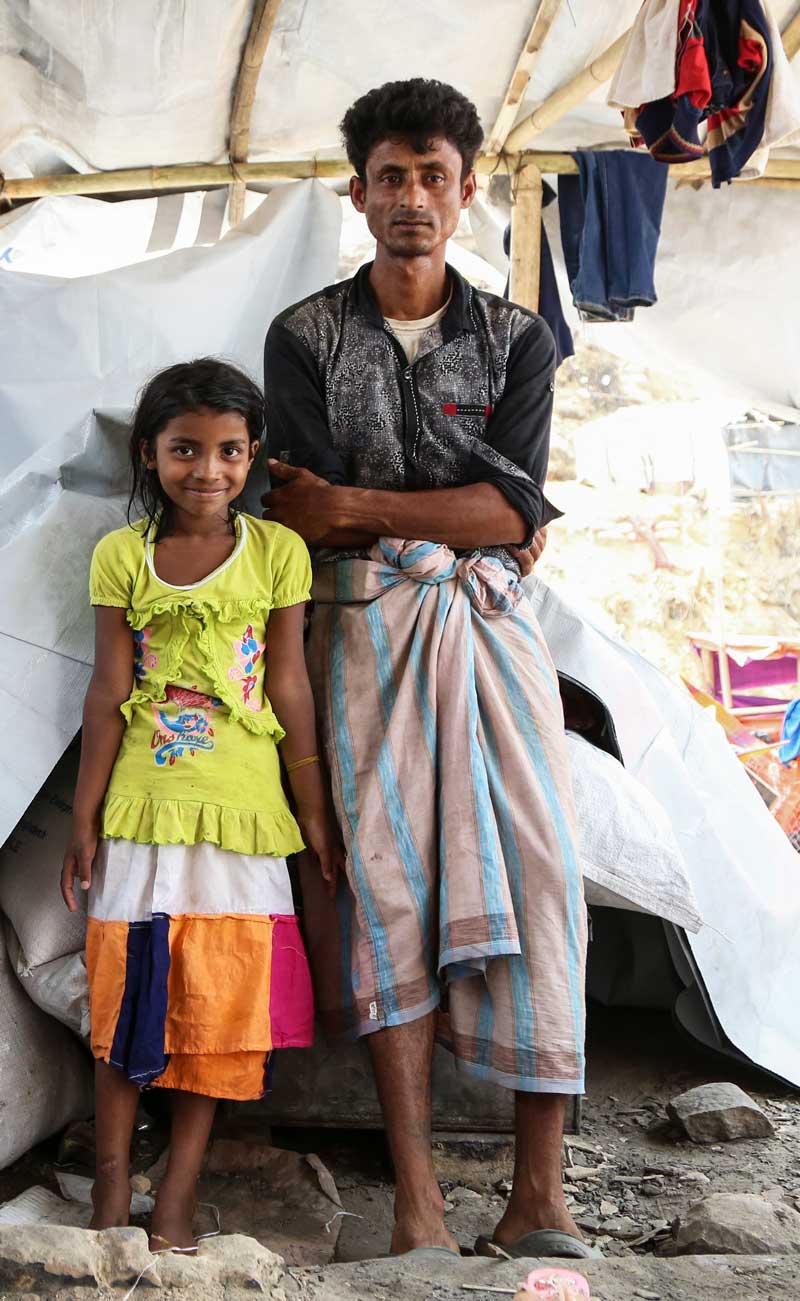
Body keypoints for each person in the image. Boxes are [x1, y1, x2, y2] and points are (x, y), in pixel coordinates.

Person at [261, 79, 591, 1262]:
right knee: (385, 888)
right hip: (356, 633)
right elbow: (296, 521)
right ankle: (417, 1201)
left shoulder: (518, 339)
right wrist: (449, 512)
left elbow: (510, 514)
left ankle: (538, 1195)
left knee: (542, 871)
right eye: (389, 176)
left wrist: (357, 498)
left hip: (489, 632)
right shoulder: (303, 335)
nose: (410, 197)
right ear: (357, 194)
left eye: (432, 176)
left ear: (464, 193)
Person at [61, 358, 343, 1253]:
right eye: (185, 449)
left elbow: (291, 686)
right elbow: (108, 691)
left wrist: (315, 811)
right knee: (126, 1002)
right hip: (142, 814)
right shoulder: (122, 556)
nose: (207, 471)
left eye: (228, 451)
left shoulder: (278, 553)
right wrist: (83, 816)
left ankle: (177, 1200)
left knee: (218, 1013)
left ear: (253, 453)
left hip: (244, 817)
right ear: (149, 454)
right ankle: (111, 1202)